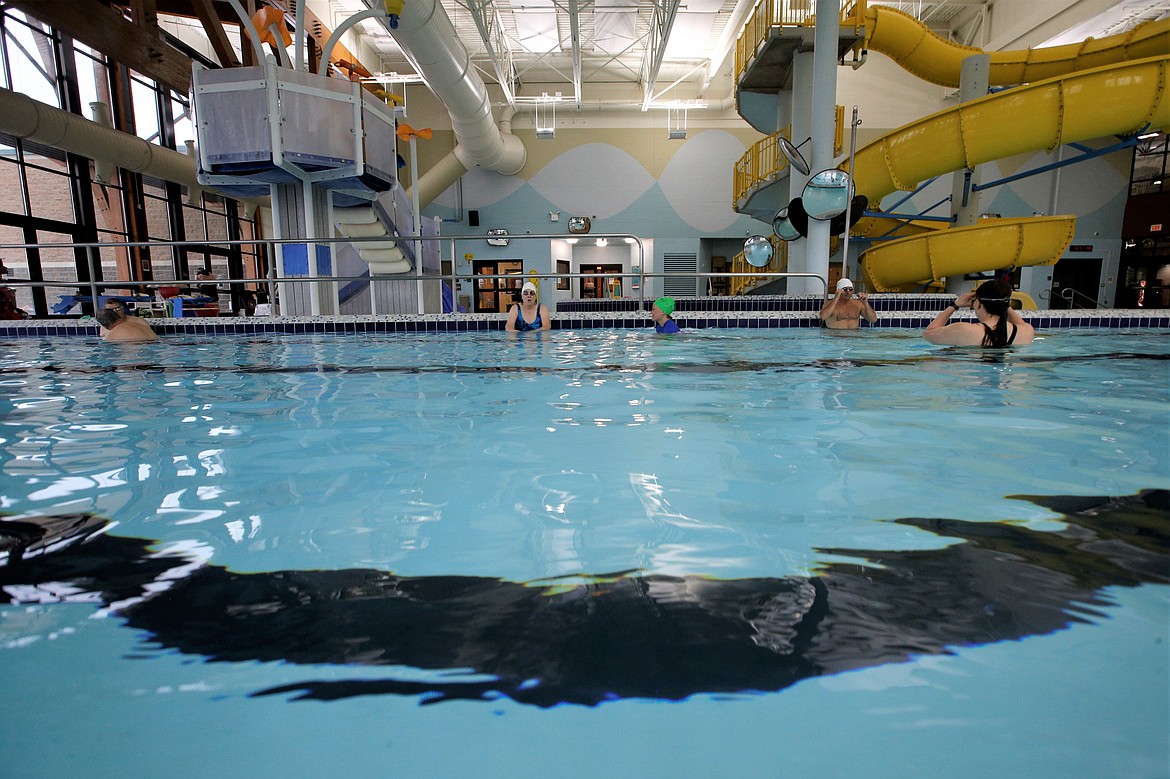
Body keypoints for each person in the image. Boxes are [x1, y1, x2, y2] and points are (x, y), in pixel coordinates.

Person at [923, 279, 1034, 347]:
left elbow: (928, 334)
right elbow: (1021, 324)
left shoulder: (963, 330)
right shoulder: (1026, 332)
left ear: (979, 304)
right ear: (1007, 304)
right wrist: (1004, 304)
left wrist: (955, 305)